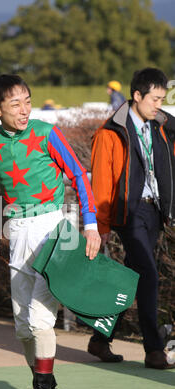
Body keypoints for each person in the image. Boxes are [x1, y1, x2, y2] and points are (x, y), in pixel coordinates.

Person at [0, 74, 101, 389]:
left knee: (42, 320)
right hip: (17, 235)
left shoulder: (45, 132)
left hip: (54, 230)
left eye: (28, 100)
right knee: (23, 328)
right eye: (15, 104)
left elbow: (78, 175)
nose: (25, 109)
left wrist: (90, 225)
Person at [88, 68, 175, 369]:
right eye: (154, 99)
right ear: (137, 96)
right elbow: (100, 182)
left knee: (133, 275)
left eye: (162, 99)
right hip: (128, 211)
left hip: (154, 211)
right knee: (148, 274)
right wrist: (100, 226)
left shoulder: (163, 126)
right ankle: (154, 350)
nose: (158, 105)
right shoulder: (110, 131)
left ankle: (100, 338)